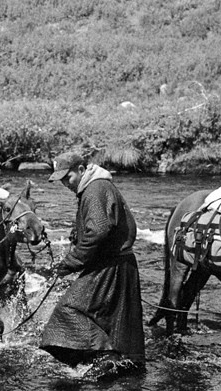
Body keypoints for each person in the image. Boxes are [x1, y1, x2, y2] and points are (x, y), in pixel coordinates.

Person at [40, 151, 145, 377]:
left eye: (67, 178)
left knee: (68, 310)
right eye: (60, 180)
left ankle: (101, 357)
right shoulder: (93, 188)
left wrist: (72, 262)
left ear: (81, 170)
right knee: (109, 319)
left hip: (110, 266)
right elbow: (100, 225)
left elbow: (98, 229)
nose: (65, 184)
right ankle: (110, 361)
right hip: (118, 265)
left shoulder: (95, 189)